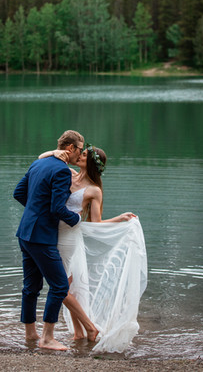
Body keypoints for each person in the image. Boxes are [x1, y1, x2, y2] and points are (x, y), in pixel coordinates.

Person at [39, 143, 147, 352]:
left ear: (90, 162)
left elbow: (95, 222)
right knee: (66, 287)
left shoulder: (94, 190)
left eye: (84, 154)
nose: (79, 155)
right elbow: (41, 158)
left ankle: (88, 329)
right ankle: (81, 332)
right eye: (81, 152)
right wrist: (54, 152)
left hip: (69, 239)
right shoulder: (67, 173)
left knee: (60, 286)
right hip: (53, 234)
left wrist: (120, 219)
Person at [13, 130, 85, 351]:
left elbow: (18, 193)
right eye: (80, 150)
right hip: (42, 237)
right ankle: (47, 338)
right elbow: (57, 208)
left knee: (31, 286)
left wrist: (36, 210)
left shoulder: (38, 164)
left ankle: (30, 334)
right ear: (70, 148)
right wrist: (78, 218)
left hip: (25, 232)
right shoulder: (62, 171)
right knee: (60, 285)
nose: (80, 154)